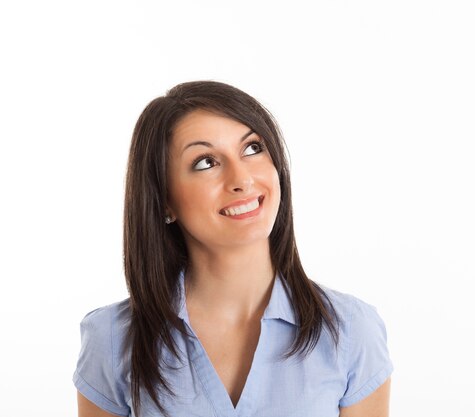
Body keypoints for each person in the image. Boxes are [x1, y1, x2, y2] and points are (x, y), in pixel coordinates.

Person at [73, 81, 393, 417]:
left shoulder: (351, 330)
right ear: (164, 201)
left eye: (253, 148)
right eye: (206, 162)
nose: (242, 179)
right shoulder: (113, 339)